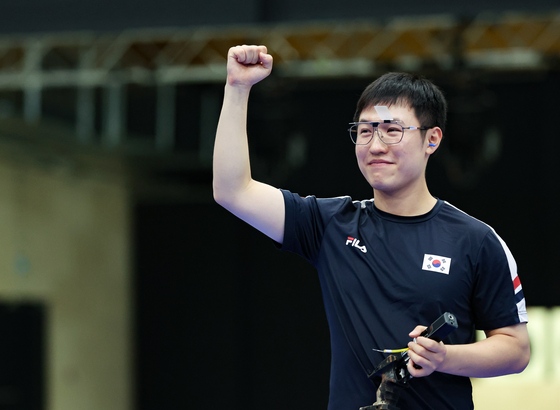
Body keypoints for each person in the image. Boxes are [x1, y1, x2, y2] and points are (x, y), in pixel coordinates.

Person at [213, 45, 530, 410]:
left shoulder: (475, 240)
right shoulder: (330, 224)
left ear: (432, 139)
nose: (375, 145)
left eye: (392, 130)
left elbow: (516, 349)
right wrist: (237, 89)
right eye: (364, 131)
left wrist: (445, 358)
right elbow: (232, 190)